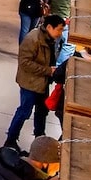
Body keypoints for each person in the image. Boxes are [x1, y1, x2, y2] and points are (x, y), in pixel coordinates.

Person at [6, 16, 63, 147]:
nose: (60, 33)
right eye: (59, 29)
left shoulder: (49, 39)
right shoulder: (33, 39)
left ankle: (39, 138)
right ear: (49, 27)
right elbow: (24, 62)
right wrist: (48, 70)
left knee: (42, 111)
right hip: (30, 84)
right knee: (24, 112)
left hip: (42, 82)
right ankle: (11, 139)